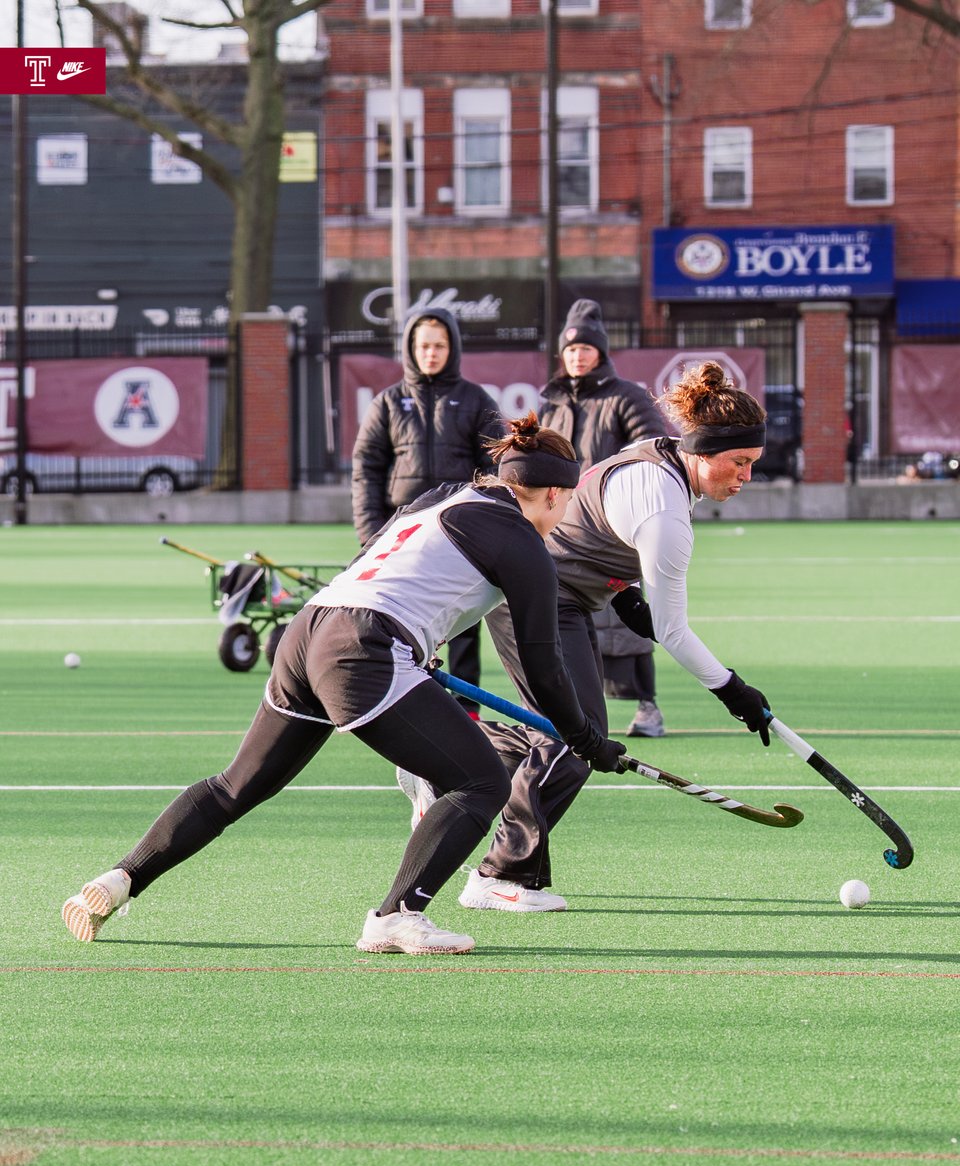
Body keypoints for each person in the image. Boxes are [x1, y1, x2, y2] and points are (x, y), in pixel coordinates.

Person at [61, 414, 626, 956]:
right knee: (480, 782)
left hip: (311, 629)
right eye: (569, 500)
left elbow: (376, 562)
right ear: (554, 494)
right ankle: (397, 916)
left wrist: (415, 648)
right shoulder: (524, 541)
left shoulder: (442, 496)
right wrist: (587, 739)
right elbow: (544, 665)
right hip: (363, 647)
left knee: (237, 786)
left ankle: (121, 879)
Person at [408, 361, 773, 913]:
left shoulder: (660, 453)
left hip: (567, 597)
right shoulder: (666, 512)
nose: (745, 476)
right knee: (576, 742)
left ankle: (438, 764)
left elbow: (599, 526)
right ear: (702, 450)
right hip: (536, 596)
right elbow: (672, 631)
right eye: (739, 462)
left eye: (753, 464)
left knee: (561, 734)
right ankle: (499, 876)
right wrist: (733, 691)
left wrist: (623, 590)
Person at [351, 307, 504, 719]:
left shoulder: (476, 399)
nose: (430, 353)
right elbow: (366, 469)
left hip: (458, 532)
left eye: (439, 345)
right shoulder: (387, 402)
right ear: (410, 350)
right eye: (423, 346)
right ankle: (412, 706)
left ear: (452, 348)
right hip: (401, 535)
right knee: (401, 621)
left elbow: (497, 465)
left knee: (465, 621)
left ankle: (468, 710)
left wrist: (485, 519)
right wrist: (371, 533)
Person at [541, 298, 669, 737]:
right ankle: (582, 709)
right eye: (570, 349)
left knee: (626, 621)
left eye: (585, 349)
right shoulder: (551, 403)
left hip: (615, 528)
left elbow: (653, 450)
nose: (577, 356)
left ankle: (648, 706)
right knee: (569, 620)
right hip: (562, 529)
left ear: (601, 352)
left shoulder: (626, 396)